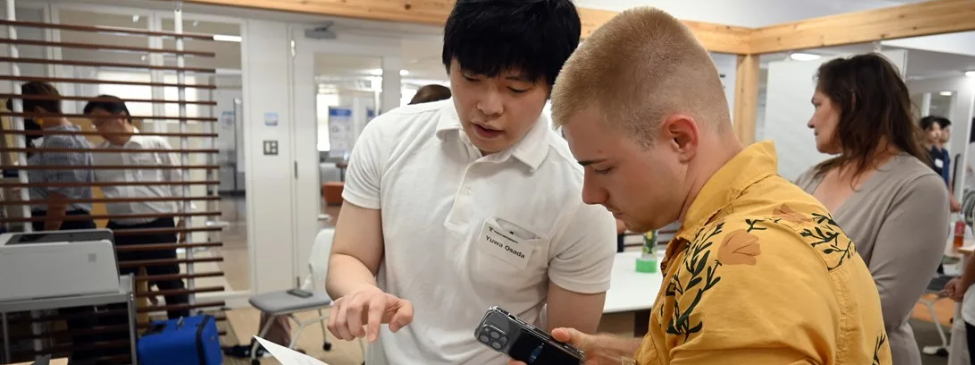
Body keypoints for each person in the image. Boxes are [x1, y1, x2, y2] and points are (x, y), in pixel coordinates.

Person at [512, 7, 891, 364]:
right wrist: (617, 354)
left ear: (680, 139)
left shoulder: (743, 269)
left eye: (604, 168)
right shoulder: (772, 208)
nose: (590, 195)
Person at [325, 0, 617, 363]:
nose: (489, 106)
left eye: (516, 88)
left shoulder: (581, 197)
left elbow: (564, 345)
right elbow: (348, 255)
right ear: (450, 65)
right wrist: (360, 291)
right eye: (472, 78)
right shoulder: (388, 137)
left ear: (553, 87)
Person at [794, 54, 950, 365]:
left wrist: (774, 306)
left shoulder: (919, 188)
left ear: (850, 102)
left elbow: (882, 307)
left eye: (817, 105)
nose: (811, 121)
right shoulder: (813, 176)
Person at [83, 95, 190, 319]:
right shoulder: (97, 155)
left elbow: (178, 182)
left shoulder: (155, 145)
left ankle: (183, 333)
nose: (98, 129)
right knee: (117, 290)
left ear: (121, 117)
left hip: (157, 227)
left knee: (171, 285)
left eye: (101, 122)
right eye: (95, 124)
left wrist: (184, 219)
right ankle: (125, 338)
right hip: (120, 230)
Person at [9, 82, 96, 232]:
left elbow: (60, 197)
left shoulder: (58, 141)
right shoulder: (70, 135)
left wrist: (48, 235)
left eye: (21, 117)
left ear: (38, 112)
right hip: (67, 222)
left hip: (63, 225)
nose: (19, 123)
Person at [922, 115, 963, 212]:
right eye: (945, 129)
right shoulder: (924, 152)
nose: (938, 133)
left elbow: (946, 176)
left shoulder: (944, 153)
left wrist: (950, 196)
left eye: (939, 129)